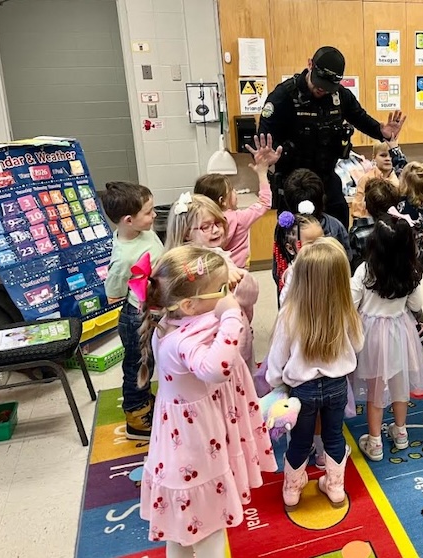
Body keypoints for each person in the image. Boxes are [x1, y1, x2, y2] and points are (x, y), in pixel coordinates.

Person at [136, 246, 271, 555]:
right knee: (208, 526)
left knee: (184, 529)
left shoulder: (177, 321)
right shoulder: (180, 342)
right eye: (221, 290)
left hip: (191, 442)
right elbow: (217, 368)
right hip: (193, 451)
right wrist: (232, 315)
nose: (227, 295)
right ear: (189, 304)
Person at [265, 237, 365, 510]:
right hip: (336, 386)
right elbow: (358, 345)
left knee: (300, 441)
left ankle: (292, 490)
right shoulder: (345, 310)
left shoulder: (290, 314)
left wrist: (277, 384)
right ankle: (335, 487)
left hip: (302, 391)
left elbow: (276, 360)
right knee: (334, 437)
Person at [258, 45, 407, 229]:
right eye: (319, 83)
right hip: (295, 184)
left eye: (328, 86)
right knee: (294, 241)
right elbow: (264, 141)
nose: (322, 89)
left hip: (326, 179)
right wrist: (269, 159)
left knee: (340, 232)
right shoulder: (284, 96)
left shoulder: (339, 95)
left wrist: (381, 132)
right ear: (310, 64)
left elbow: (359, 117)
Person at [164, 194, 262, 385]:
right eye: (205, 227)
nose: (215, 230)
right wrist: (239, 279)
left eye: (218, 223)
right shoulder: (199, 264)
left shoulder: (216, 256)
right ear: (186, 233)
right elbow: (246, 297)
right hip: (215, 335)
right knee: (230, 380)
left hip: (217, 335)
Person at [353, 215, 423, 462]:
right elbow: (416, 304)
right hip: (399, 333)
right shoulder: (409, 269)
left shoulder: (366, 270)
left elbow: (352, 302)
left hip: (371, 336)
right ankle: (401, 432)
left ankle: (374, 442)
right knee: (399, 385)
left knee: (376, 388)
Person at [100, 181, 163, 440]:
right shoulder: (125, 257)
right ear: (128, 220)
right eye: (149, 212)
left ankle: (144, 398)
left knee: (148, 360)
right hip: (137, 316)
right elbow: (113, 291)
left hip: (151, 309)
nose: (155, 215)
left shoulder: (140, 233)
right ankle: (137, 417)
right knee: (138, 365)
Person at [193, 134, 281, 268]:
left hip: (211, 275)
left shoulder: (197, 224)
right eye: (232, 190)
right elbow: (264, 203)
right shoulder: (239, 219)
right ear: (222, 200)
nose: (235, 193)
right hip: (238, 273)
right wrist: (262, 173)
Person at [273, 169, 352, 298]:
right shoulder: (335, 226)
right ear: (322, 199)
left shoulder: (284, 229)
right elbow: (347, 261)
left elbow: (278, 271)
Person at [396, 161, 423, 347]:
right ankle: (421, 332)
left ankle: (417, 333)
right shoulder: (421, 200)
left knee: (407, 300)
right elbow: (403, 168)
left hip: (405, 260)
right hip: (418, 261)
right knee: (414, 297)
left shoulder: (405, 206)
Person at [348, 177, 401, 272]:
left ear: (365, 205)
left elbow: (354, 268)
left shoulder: (357, 233)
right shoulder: (402, 228)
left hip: (366, 282)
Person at [276, 212, 325, 304]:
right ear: (291, 248)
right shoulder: (293, 276)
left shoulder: (329, 264)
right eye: (311, 244)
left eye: (322, 240)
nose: (319, 247)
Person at [352, 139, 407, 218]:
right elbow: (357, 208)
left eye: (390, 155)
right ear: (374, 157)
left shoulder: (400, 180)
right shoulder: (366, 179)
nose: (388, 159)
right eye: (383, 155)